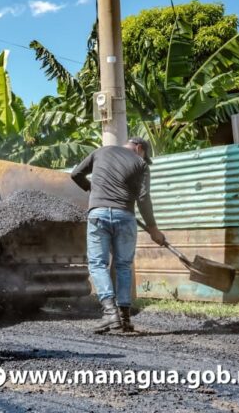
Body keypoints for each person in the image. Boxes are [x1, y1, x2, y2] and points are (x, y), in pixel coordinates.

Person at [71, 137, 166, 333]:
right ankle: (124, 317)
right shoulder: (140, 163)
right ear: (139, 148)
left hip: (98, 215)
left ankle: (110, 313)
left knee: (98, 264)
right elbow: (143, 197)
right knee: (123, 265)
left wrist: (91, 188)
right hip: (125, 216)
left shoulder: (101, 152)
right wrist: (153, 228)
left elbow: (75, 174)